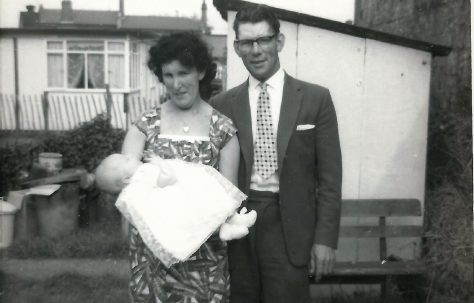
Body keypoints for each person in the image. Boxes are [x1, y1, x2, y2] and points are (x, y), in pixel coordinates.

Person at [209, 4, 342, 303]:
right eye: (247, 43)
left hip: (289, 226)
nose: (256, 50)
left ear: (278, 42)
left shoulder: (315, 99)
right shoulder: (222, 104)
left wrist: (325, 240)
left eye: (264, 40)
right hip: (239, 223)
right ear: (236, 48)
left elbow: (331, 179)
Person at [121, 32, 240, 302]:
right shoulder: (145, 126)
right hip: (152, 259)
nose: (176, 84)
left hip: (203, 262)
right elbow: (126, 188)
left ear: (200, 72)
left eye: (183, 73)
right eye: (168, 75)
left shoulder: (223, 131)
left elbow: (229, 200)